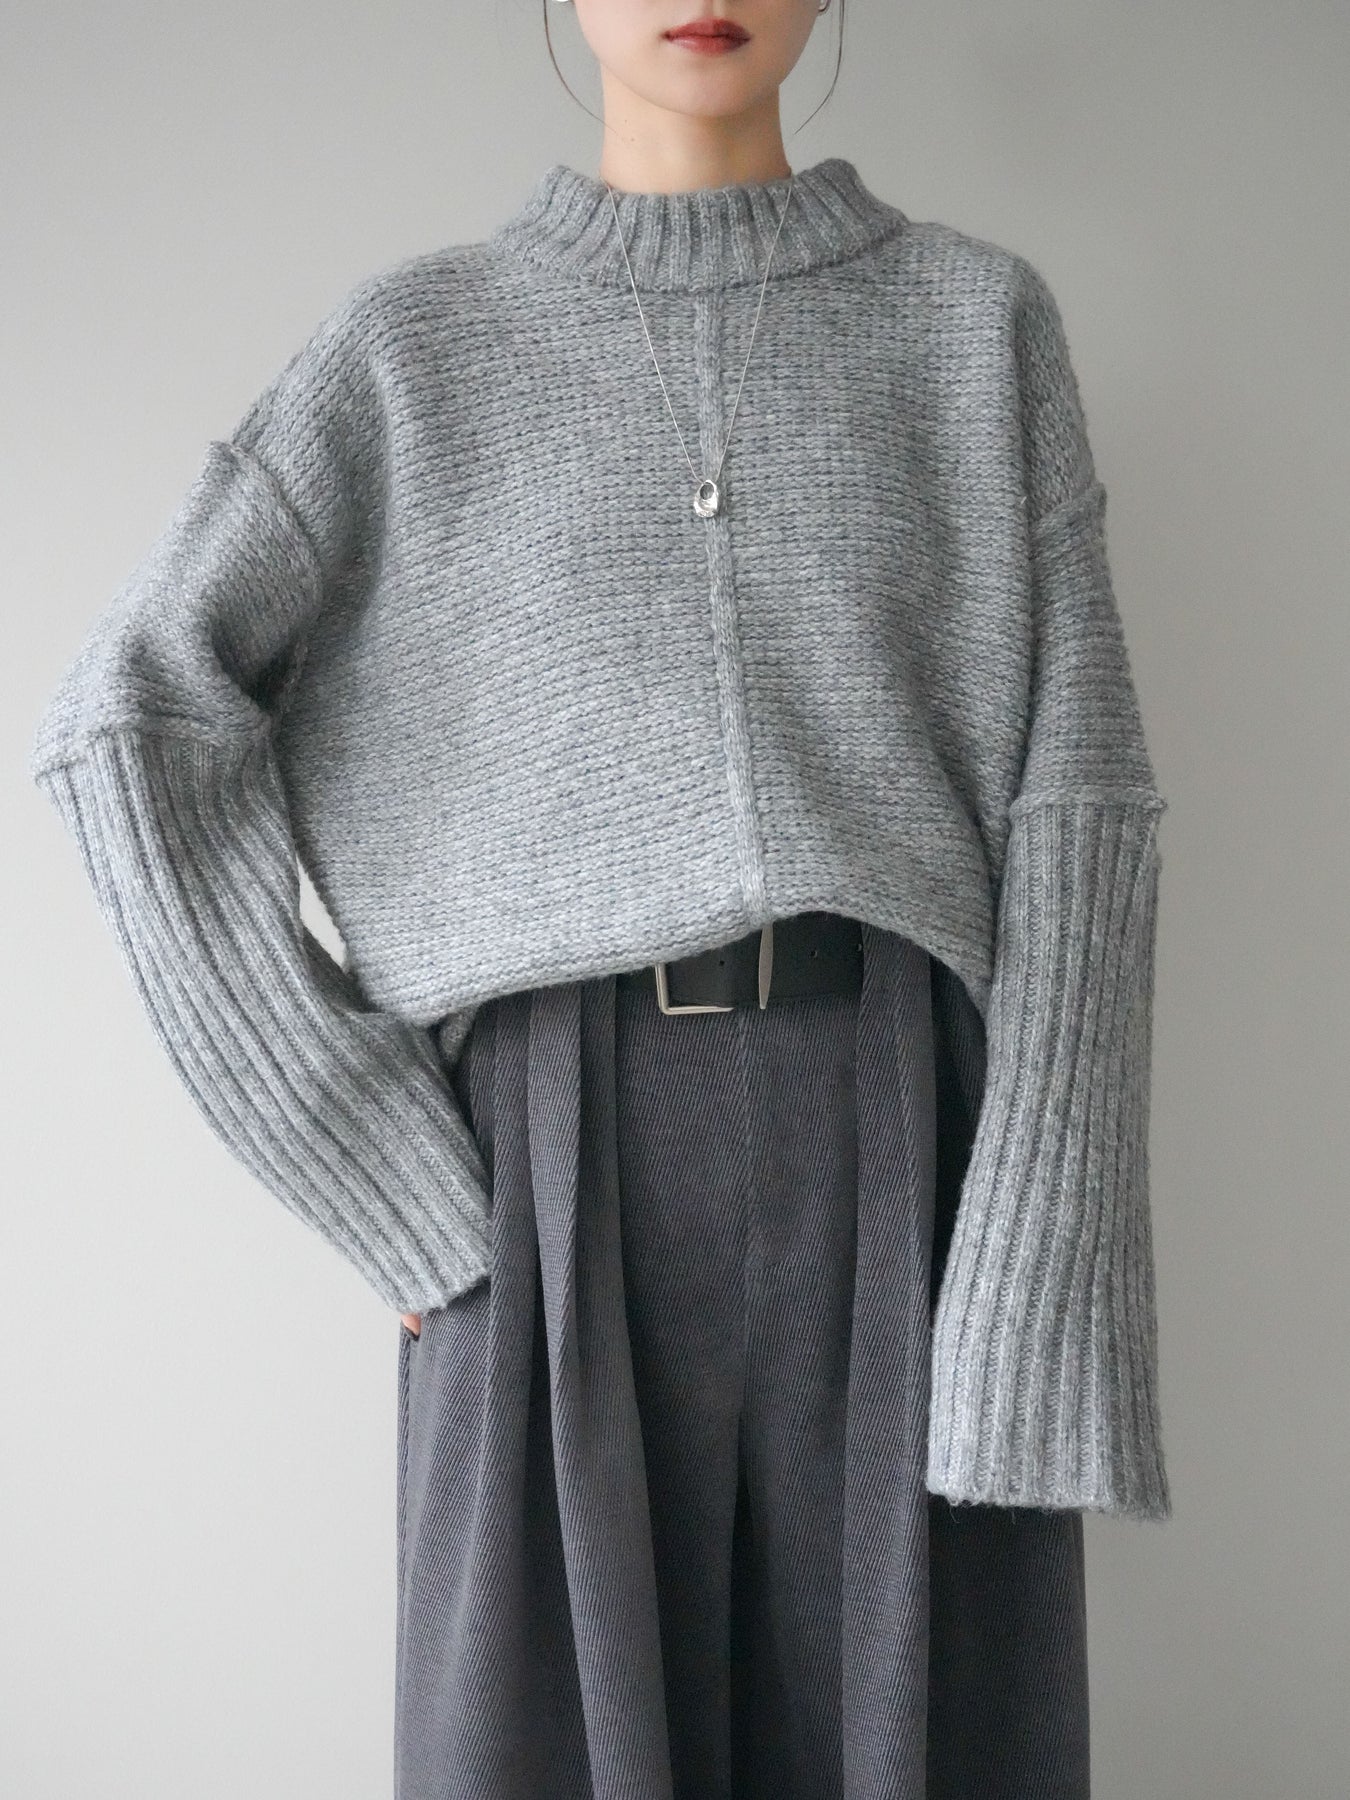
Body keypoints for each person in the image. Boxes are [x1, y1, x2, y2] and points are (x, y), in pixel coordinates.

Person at [31, 2, 1173, 1795]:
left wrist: (1044, 1253)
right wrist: (363, 1153)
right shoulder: (409, 353)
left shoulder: (972, 324)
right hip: (539, 1166)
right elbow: (132, 720)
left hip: (907, 1137)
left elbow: (1080, 805)